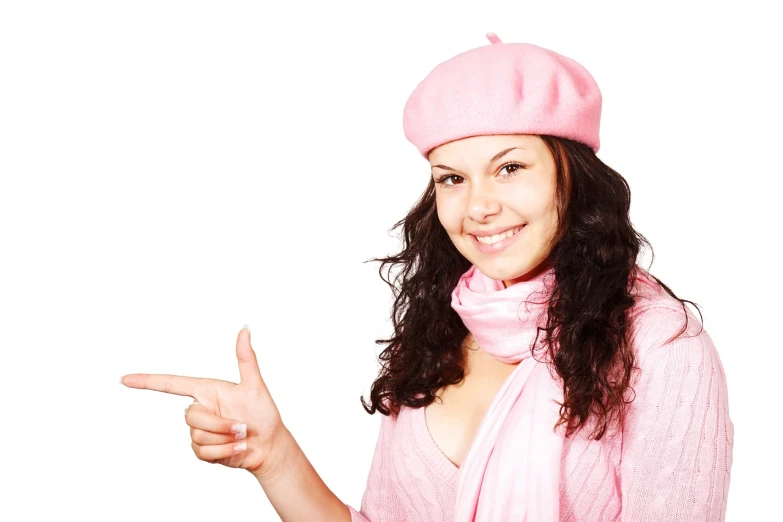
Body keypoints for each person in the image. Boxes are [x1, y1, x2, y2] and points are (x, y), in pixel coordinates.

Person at [121, 33, 734, 521]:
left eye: (510, 167)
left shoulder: (660, 346)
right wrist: (273, 455)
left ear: (571, 177)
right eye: (452, 177)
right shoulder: (444, 328)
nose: (478, 207)